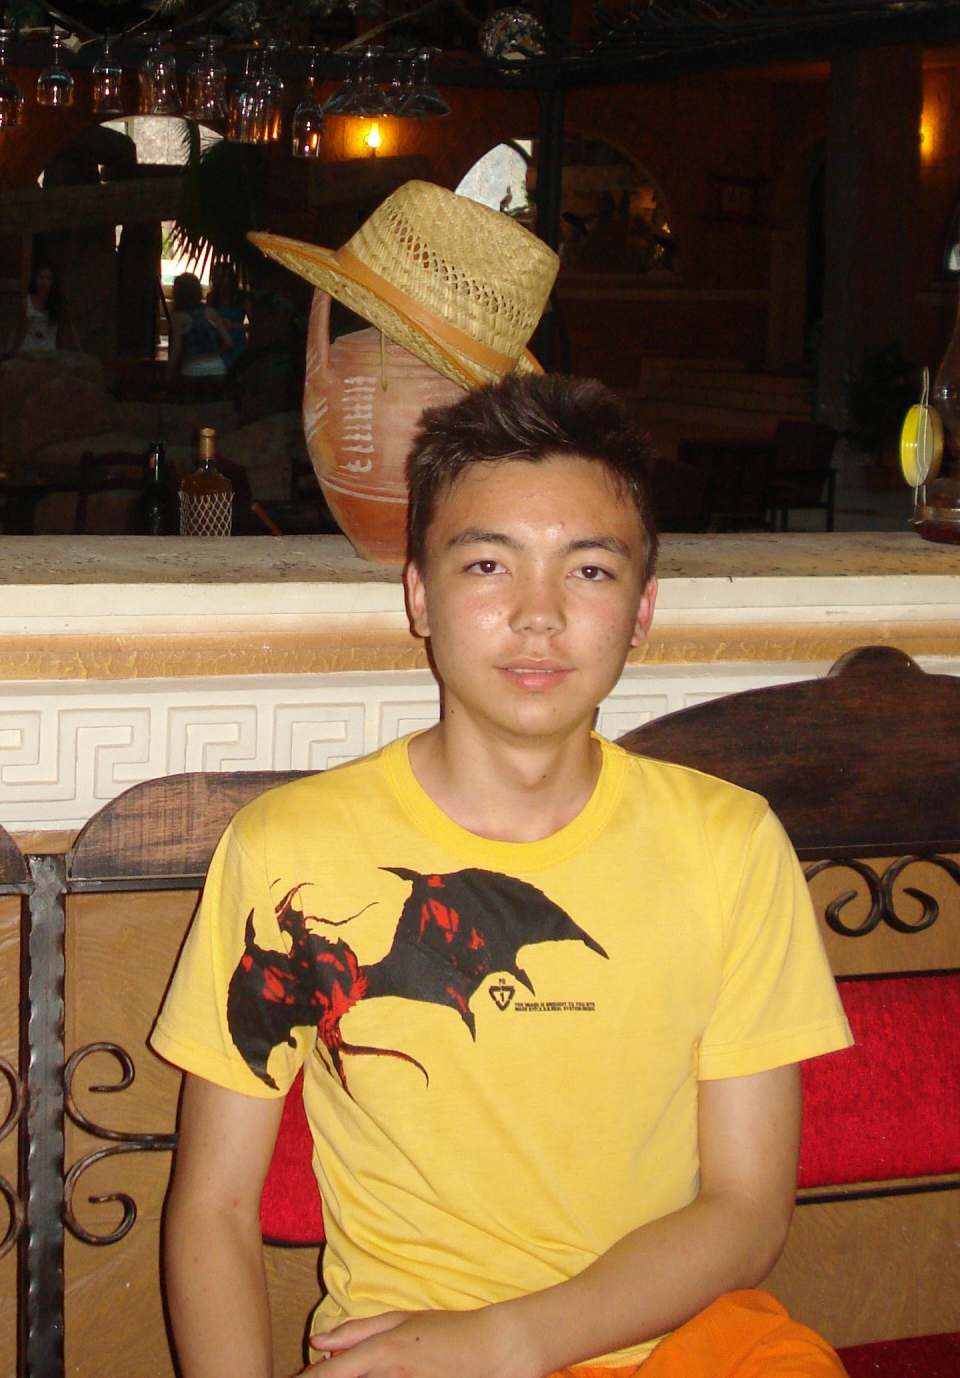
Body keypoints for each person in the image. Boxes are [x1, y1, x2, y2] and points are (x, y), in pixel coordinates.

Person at [151, 373, 852, 1378]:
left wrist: (507, 1340)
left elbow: (747, 1209)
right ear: (419, 596)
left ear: (643, 609)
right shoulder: (288, 848)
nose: (539, 615)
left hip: (684, 1344)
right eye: (488, 564)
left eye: (590, 570)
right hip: (405, 1347)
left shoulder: (729, 843)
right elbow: (213, 1207)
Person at [168, 271, 232, 382]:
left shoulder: (179, 317)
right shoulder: (211, 312)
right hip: (217, 369)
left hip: (192, 370)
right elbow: (228, 343)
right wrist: (213, 355)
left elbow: (176, 351)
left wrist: (169, 374)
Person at [11, 262, 66, 356]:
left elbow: (66, 331)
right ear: (35, 280)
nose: (44, 282)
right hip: (28, 352)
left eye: (48, 279)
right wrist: (11, 351)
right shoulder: (26, 303)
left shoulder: (57, 304)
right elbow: (17, 329)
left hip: (48, 354)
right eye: (40, 278)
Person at [209, 261, 248, 373]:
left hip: (237, 344)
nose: (219, 282)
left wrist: (235, 326)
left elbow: (255, 325)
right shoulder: (212, 297)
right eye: (216, 278)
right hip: (219, 343)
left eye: (222, 278)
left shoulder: (242, 298)